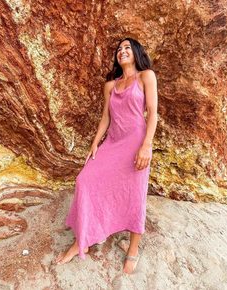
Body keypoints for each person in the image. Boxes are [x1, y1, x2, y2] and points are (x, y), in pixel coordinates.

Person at [55, 37, 158, 274]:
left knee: (134, 195)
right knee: (85, 181)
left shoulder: (146, 76)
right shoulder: (111, 85)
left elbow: (152, 113)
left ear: (136, 53)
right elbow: (106, 117)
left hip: (136, 143)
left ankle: (132, 250)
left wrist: (146, 146)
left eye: (127, 48)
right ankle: (82, 241)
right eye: (119, 49)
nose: (122, 51)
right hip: (112, 143)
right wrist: (94, 144)